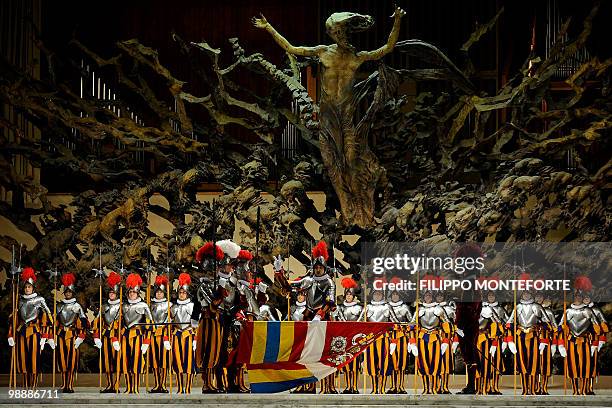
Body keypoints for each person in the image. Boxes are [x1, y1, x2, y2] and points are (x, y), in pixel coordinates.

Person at [274, 240, 336, 394]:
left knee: (324, 354)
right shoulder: (308, 280)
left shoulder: (329, 282)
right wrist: (279, 272)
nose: (318, 269)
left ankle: (327, 387)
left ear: (324, 268)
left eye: (320, 267)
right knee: (307, 353)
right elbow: (289, 286)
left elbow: (330, 300)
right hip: (308, 319)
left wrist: (320, 315)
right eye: (316, 267)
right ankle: (308, 385)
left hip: (322, 320)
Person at [7, 267, 53, 389]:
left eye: (29, 287)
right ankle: (25, 384)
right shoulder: (19, 299)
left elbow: (48, 317)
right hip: (21, 331)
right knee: (23, 359)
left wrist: (45, 336)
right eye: (26, 287)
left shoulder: (39, 299)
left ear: (33, 288)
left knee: (34, 358)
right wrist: (10, 335)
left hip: (34, 331)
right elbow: (14, 318)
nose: (27, 289)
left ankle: (33, 384)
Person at [192, 241, 225, 393]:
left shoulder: (215, 283)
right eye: (215, 266)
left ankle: (211, 383)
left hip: (216, 321)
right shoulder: (204, 285)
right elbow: (212, 304)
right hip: (207, 320)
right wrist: (221, 289)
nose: (217, 268)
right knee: (207, 352)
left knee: (215, 353)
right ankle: (206, 384)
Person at [505, 288, 550, 395]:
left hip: (534, 336)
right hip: (520, 336)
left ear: (531, 294)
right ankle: (525, 389)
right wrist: (510, 340)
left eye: (528, 293)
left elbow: (546, 322)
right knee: (522, 363)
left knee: (533, 363)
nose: (526, 295)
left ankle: (533, 389)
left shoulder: (537, 306)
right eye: (524, 293)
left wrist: (543, 337)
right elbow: (509, 323)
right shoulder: (518, 307)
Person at [410, 288, 450, 394]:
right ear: (423, 297)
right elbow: (411, 326)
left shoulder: (439, 310)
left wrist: (445, 342)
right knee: (423, 364)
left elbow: (446, 327)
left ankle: (434, 388)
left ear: (433, 297)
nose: (428, 297)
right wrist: (412, 342)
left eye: (430, 295)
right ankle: (426, 388)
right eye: (426, 295)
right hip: (422, 338)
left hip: (435, 338)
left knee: (435, 364)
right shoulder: (419, 310)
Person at [121, 272, 153, 393]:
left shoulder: (143, 305)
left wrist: (146, 341)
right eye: (130, 292)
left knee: (137, 362)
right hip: (125, 336)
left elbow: (149, 325)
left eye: (133, 292)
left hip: (138, 336)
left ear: (138, 292)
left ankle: (135, 387)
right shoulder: (123, 305)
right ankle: (128, 387)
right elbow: (119, 323)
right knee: (126, 362)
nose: (131, 294)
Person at [55, 273, 88, 393]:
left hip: (73, 335)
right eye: (66, 292)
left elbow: (84, 322)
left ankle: (70, 384)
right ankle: (64, 384)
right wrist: (50, 336)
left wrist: (81, 336)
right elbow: (56, 322)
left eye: (70, 292)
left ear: (72, 293)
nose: (68, 293)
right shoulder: (59, 306)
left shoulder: (77, 306)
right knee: (62, 360)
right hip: (61, 335)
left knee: (71, 361)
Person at [92, 271, 122, 393]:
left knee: (117, 362)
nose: (111, 294)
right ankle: (109, 384)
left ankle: (116, 385)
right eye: (110, 292)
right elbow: (97, 322)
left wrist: (115, 337)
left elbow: (121, 323)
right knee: (106, 362)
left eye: (113, 292)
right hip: (105, 337)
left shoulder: (121, 306)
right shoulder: (103, 306)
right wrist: (96, 336)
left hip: (117, 337)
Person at [334, 277, 363, 394]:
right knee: (346, 364)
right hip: (345, 339)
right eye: (347, 295)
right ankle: (347, 386)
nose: (349, 296)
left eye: (350, 295)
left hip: (356, 339)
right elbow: (340, 321)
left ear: (353, 296)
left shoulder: (359, 308)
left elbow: (361, 322)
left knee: (355, 364)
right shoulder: (340, 308)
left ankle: (354, 386)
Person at [477, 290, 507, 395]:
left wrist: (506, 338)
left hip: (495, 340)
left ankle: (494, 387)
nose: (491, 297)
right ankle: (482, 387)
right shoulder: (481, 309)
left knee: (496, 363)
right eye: (489, 295)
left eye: (492, 295)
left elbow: (507, 323)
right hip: (483, 339)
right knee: (483, 363)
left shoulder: (500, 309)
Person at [363, 287, 392, 394]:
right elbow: (360, 322)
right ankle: (374, 388)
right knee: (372, 364)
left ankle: (382, 388)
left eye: (379, 294)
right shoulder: (368, 306)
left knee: (383, 363)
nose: (377, 296)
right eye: (375, 294)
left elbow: (394, 321)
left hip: (384, 338)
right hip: (370, 338)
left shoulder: (387, 307)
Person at [171, 273, 197, 394]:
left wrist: (196, 339)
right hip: (176, 336)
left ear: (187, 293)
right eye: (180, 292)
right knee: (178, 363)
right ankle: (180, 387)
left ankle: (188, 388)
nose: (181, 294)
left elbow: (197, 324)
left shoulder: (192, 306)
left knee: (189, 363)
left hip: (189, 335)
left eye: (183, 293)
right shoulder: (172, 307)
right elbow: (169, 323)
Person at [148, 274, 171, 393]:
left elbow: (170, 320)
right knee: (154, 361)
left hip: (164, 335)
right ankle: (157, 384)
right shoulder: (150, 305)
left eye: (161, 292)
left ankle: (163, 384)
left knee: (164, 360)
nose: (158, 294)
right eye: (157, 292)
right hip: (153, 335)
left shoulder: (169, 305)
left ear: (164, 293)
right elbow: (148, 320)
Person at [388, 289, 413, 394]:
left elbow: (412, 322)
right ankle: (393, 386)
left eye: (396, 294)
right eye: (393, 294)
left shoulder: (404, 307)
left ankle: (401, 386)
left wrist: (407, 329)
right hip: (391, 337)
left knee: (402, 362)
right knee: (392, 362)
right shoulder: (387, 307)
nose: (394, 296)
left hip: (402, 337)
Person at [584, 292, 609, 395]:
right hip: (580, 341)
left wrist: (601, 340)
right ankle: (581, 388)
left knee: (591, 364)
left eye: (587, 297)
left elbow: (604, 325)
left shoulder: (596, 310)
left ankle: (589, 387)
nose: (585, 299)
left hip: (593, 340)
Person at [435, 291, 456, 394]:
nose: (439, 297)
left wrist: (454, 339)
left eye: (441, 295)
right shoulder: (432, 308)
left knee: (446, 364)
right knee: (435, 364)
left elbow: (455, 325)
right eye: (438, 295)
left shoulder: (450, 309)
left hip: (446, 340)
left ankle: (445, 386)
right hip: (435, 339)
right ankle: (436, 386)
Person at [535, 292, 556, 395]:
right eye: (537, 296)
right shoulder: (532, 309)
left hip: (546, 341)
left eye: (540, 296)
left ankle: (544, 387)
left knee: (545, 366)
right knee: (534, 365)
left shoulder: (549, 312)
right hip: (533, 342)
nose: (539, 298)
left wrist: (555, 343)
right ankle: (534, 387)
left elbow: (555, 327)